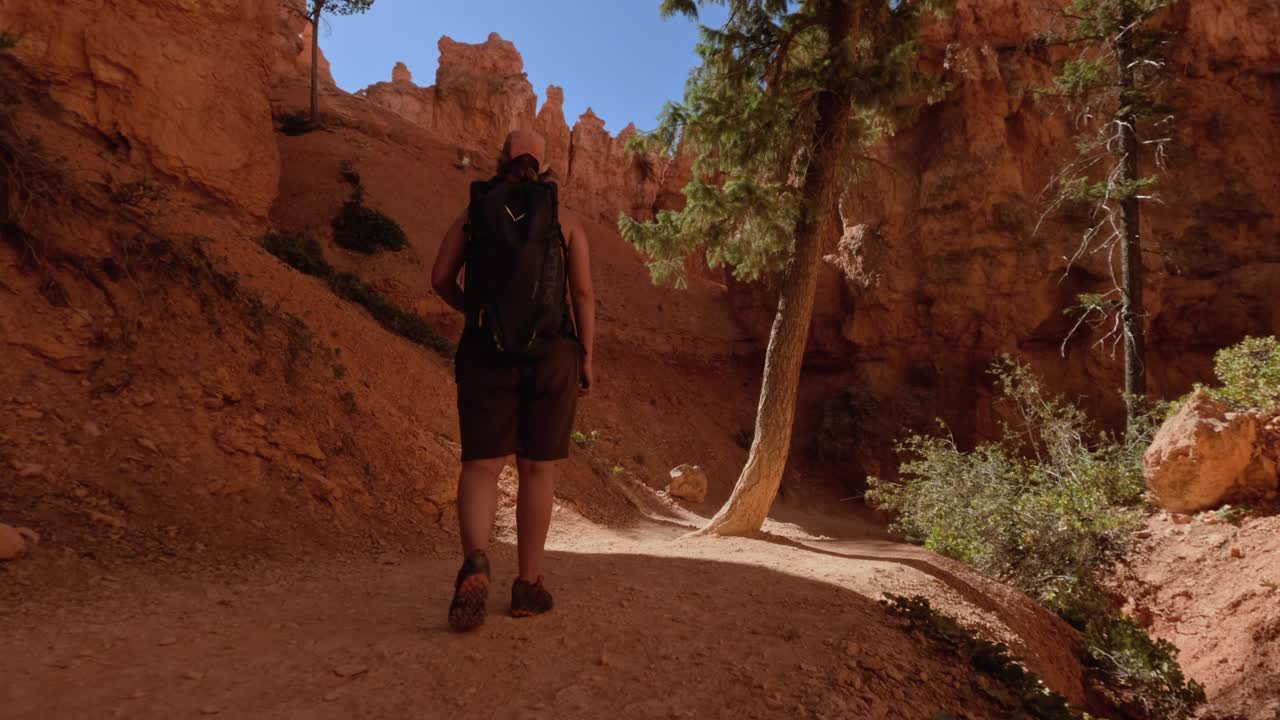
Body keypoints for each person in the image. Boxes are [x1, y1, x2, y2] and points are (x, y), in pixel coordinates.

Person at [431, 128, 595, 632]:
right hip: (552, 357)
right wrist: (587, 357)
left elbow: (439, 278)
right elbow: (583, 294)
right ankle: (527, 586)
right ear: (546, 170)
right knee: (537, 471)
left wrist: (476, 313)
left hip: (485, 353)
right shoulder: (564, 221)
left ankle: (477, 561)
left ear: (500, 160)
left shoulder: (474, 214)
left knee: (482, 466)